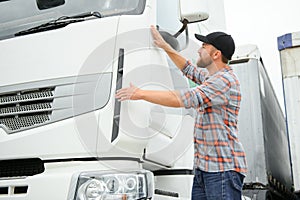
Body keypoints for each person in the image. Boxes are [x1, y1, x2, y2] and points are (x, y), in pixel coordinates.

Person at [116, 25, 247, 200]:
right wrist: (164, 46)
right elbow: (189, 69)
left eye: (204, 47)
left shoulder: (224, 81)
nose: (199, 50)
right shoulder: (212, 78)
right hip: (205, 169)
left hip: (222, 170)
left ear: (216, 54)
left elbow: (185, 98)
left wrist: (140, 94)